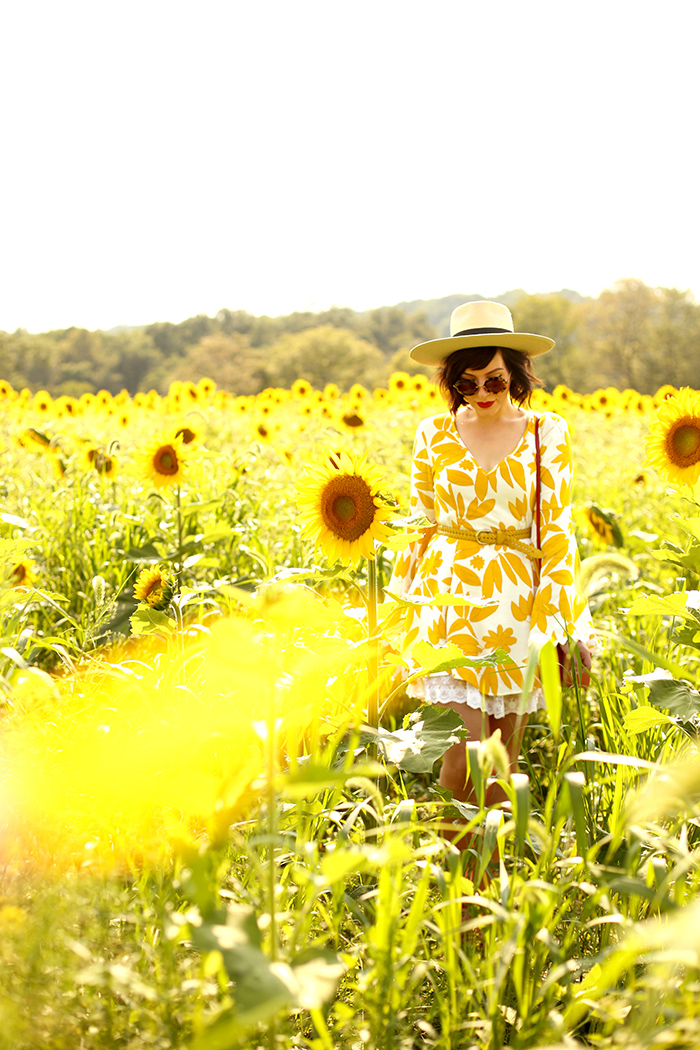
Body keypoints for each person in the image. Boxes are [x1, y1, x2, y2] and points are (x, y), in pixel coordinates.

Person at [389, 300, 596, 835]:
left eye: (494, 381)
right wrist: (396, 608)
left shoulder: (543, 433)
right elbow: (422, 524)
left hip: (518, 611)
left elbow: (556, 530)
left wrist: (561, 624)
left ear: (517, 376)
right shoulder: (432, 434)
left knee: (502, 766)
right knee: (461, 761)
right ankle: (454, 896)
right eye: (467, 383)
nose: (481, 394)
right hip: (449, 607)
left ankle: (492, 894)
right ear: (452, 383)